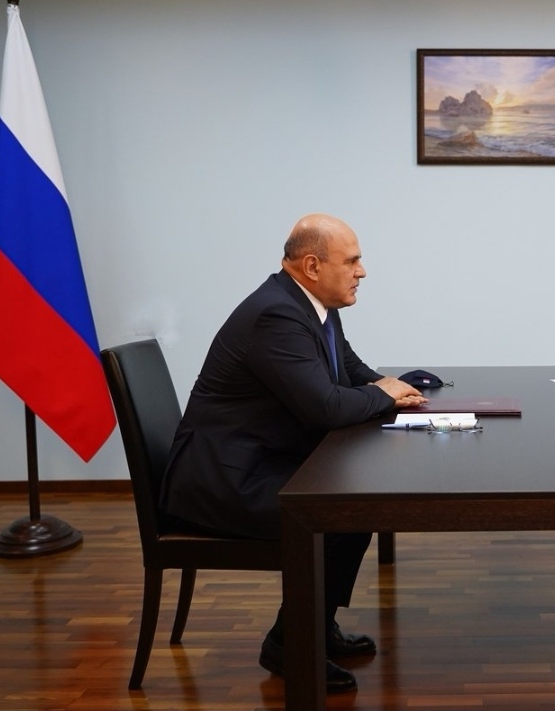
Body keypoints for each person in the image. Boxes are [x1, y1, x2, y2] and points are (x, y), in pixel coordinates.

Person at [159, 213, 427, 693]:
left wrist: (394, 388)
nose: (362, 271)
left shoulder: (311, 304)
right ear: (312, 266)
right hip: (223, 482)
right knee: (342, 510)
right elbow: (324, 407)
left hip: (257, 462)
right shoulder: (276, 315)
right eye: (352, 261)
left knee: (353, 503)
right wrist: (383, 395)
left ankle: (314, 626)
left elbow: (348, 369)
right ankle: (290, 643)